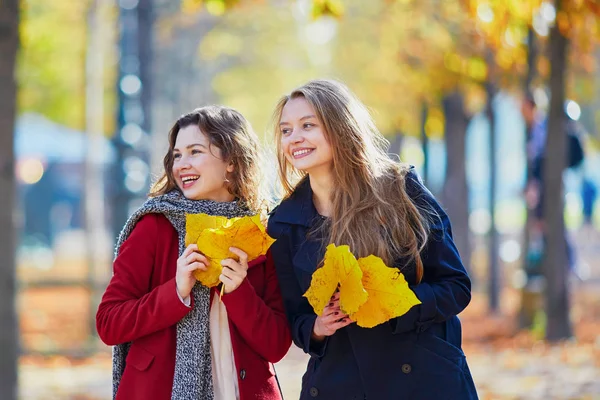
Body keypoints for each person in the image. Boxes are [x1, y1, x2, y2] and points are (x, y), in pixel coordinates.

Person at [267, 79, 477, 399]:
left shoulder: (401, 191)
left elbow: (455, 287)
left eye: (307, 125)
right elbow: (295, 317)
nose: (295, 138)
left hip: (421, 377)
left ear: (340, 127)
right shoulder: (284, 223)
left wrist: (395, 304)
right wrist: (318, 327)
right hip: (339, 382)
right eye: (286, 130)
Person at [96, 106, 291, 400]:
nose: (181, 165)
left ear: (232, 161)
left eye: (195, 152)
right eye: (177, 155)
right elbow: (109, 323)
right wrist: (176, 291)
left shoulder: (260, 231)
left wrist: (239, 291)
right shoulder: (154, 226)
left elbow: (276, 345)